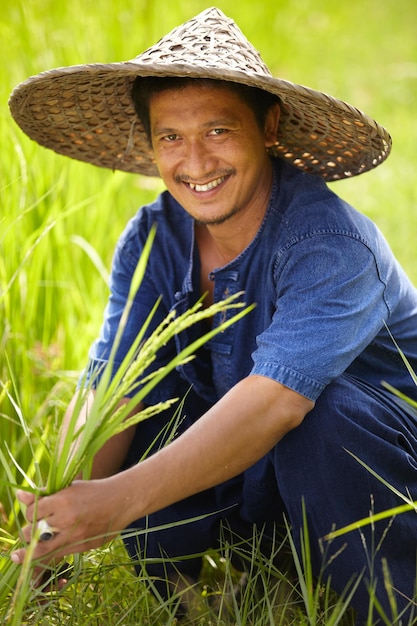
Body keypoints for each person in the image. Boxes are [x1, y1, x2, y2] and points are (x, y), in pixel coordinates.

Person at [9, 7, 417, 624]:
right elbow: (115, 389)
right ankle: (198, 603)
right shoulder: (152, 238)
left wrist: (114, 503)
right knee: (153, 402)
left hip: (372, 485)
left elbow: (276, 402)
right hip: (258, 487)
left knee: (323, 412)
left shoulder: (331, 244)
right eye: (171, 137)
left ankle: (388, 605)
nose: (195, 163)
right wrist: (50, 533)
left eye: (218, 131)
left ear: (268, 125)